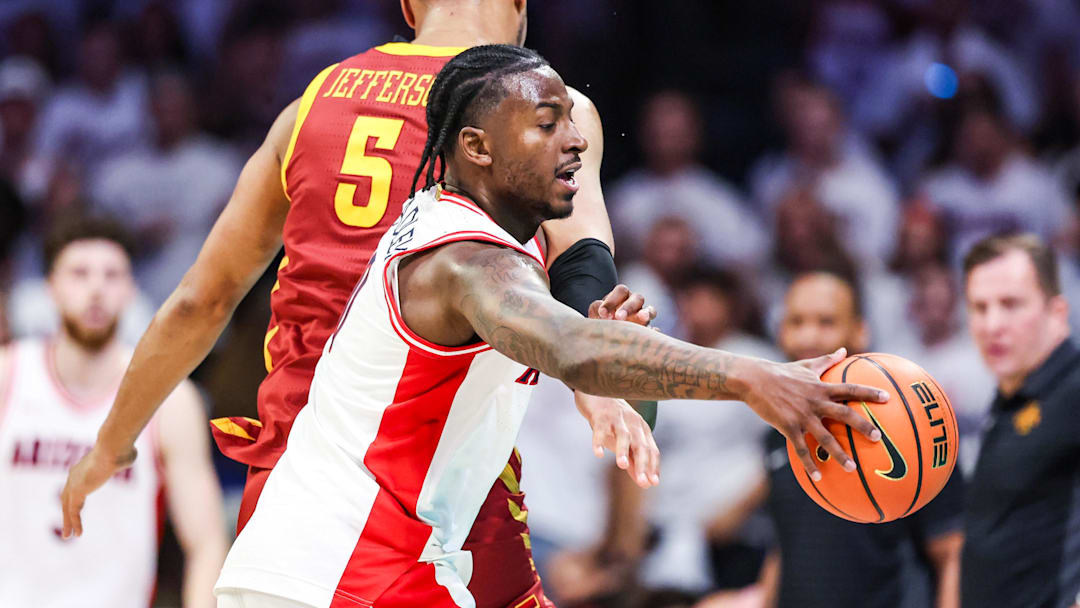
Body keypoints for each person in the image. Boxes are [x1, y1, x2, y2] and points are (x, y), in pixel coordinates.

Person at [213, 44, 888, 608]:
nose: (574, 140)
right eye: (546, 123)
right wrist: (754, 377)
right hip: (333, 570)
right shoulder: (464, 260)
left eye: (572, 120)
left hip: (383, 563)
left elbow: (569, 338)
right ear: (476, 147)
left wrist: (601, 357)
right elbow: (570, 347)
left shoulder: (479, 234)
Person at [62, 1, 656, 606]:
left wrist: (112, 444)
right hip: (438, 469)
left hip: (301, 479)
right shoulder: (539, 108)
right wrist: (602, 381)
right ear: (521, 6)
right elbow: (584, 266)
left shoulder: (312, 104)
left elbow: (201, 301)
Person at [698, 271, 964, 608]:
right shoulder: (777, 432)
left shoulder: (912, 424)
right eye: (796, 321)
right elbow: (788, 544)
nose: (809, 335)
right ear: (781, 331)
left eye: (826, 322)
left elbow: (951, 551)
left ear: (860, 331)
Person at [0, 217, 226, 608]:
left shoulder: (169, 399)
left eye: (112, 275)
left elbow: (206, 543)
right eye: (79, 273)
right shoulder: (8, 376)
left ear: (131, 289)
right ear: (50, 286)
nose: (96, 289)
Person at [960, 234, 1080, 608]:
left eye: (1011, 305)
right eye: (979, 307)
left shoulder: (1073, 389)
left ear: (1056, 312)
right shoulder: (1012, 395)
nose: (992, 324)